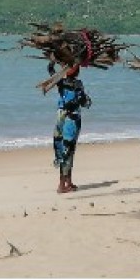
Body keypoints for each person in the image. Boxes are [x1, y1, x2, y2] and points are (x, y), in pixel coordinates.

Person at [52, 62, 91, 193]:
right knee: (68, 151)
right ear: (77, 72)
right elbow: (83, 101)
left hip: (60, 118)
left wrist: (54, 61)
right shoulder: (77, 84)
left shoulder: (60, 82)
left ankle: (68, 182)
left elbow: (50, 70)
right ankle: (62, 185)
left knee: (62, 149)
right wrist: (86, 100)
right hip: (71, 120)